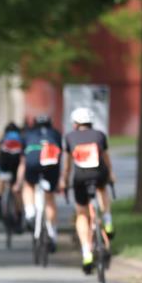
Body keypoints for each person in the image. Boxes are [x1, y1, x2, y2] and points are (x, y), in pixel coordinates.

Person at [59, 106, 115, 274]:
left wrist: (64, 180)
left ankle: (86, 252)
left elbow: (68, 164)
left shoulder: (69, 137)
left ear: (75, 124)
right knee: (102, 188)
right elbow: (106, 158)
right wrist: (111, 175)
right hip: (99, 174)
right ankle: (108, 220)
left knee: (82, 214)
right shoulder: (100, 135)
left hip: (80, 178)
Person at [20, 114, 62, 248]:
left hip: (32, 161)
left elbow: (23, 160)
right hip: (51, 162)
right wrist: (61, 179)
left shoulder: (28, 134)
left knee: (28, 185)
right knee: (50, 198)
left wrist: (19, 180)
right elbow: (60, 155)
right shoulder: (55, 133)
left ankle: (30, 212)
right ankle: (51, 233)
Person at [0, 122, 25, 222]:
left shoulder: (4, 138)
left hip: (4, 163)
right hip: (16, 164)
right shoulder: (21, 137)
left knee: (1, 178)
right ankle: (20, 213)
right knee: (17, 189)